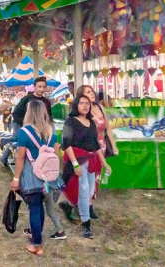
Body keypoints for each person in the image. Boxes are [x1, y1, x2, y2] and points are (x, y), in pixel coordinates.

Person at [9, 100, 61, 256]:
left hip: (32, 176)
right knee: (41, 206)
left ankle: (36, 245)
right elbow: (56, 154)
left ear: (28, 112)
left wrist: (16, 178)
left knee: (34, 208)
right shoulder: (52, 131)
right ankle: (36, 236)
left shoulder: (24, 132)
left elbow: (20, 158)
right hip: (48, 177)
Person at [59, 96, 112, 239]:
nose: (85, 106)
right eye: (81, 103)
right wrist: (76, 164)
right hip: (78, 160)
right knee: (83, 192)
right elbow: (67, 144)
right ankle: (86, 225)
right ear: (76, 106)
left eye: (87, 103)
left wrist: (105, 163)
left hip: (91, 161)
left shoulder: (91, 123)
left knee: (90, 191)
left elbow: (95, 145)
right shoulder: (71, 122)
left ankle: (69, 205)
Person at [76, 85, 118, 220]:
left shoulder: (100, 108)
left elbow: (108, 128)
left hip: (102, 146)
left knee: (97, 177)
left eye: (92, 91)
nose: (92, 93)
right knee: (88, 176)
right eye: (88, 92)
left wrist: (113, 145)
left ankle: (90, 205)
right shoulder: (83, 111)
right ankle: (83, 206)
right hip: (88, 148)